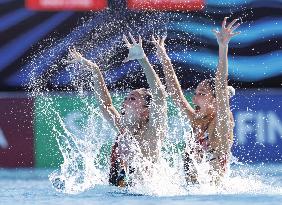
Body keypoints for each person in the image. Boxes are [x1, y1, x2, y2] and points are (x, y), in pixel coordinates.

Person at [67, 33, 167, 187]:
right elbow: (106, 105)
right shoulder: (123, 128)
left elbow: (159, 95)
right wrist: (95, 70)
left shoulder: (153, 132)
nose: (126, 100)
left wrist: (142, 59)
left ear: (145, 111)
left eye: (132, 98)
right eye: (126, 97)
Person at [151, 17, 240, 184]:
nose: (194, 97)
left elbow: (221, 87)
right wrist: (164, 58)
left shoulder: (222, 123)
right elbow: (176, 93)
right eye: (196, 92)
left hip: (212, 194)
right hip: (193, 192)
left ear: (215, 100)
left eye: (202, 93)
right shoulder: (196, 120)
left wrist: (223, 47)